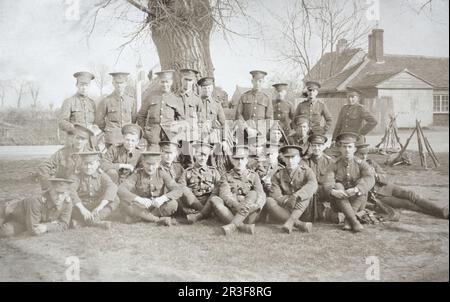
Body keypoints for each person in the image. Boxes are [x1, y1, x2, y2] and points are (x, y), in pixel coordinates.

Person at [355, 144, 449, 219]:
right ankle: (439, 214)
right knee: (407, 204)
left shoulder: (370, 162)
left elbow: (385, 177)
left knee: (412, 195)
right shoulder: (352, 169)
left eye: (366, 153)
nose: (364, 156)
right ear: (354, 154)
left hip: (387, 187)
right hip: (376, 196)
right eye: (361, 154)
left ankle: (441, 211)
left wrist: (376, 176)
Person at [323, 132, 375, 233]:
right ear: (340, 148)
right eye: (344, 147)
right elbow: (327, 181)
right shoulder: (334, 164)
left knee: (362, 184)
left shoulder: (361, 164)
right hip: (339, 203)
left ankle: (348, 219)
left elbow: (370, 178)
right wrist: (333, 191)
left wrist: (356, 190)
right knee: (338, 185)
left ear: (355, 149)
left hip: (358, 201)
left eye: (350, 147)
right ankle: (354, 221)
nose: (347, 150)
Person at [210, 145, 266, 235]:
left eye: (242, 159)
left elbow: (261, 194)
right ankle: (242, 226)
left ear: (246, 160)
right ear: (232, 160)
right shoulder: (226, 176)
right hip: (232, 210)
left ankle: (232, 226)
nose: (239, 162)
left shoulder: (253, 175)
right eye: (236, 159)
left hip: (249, 212)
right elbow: (225, 194)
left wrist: (256, 206)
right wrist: (237, 205)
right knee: (215, 200)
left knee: (253, 193)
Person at [117, 151, 183, 226]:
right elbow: (121, 189)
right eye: (148, 164)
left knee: (173, 204)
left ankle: (142, 218)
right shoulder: (137, 174)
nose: (151, 168)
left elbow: (178, 189)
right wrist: (139, 199)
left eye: (153, 164)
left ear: (158, 164)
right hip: (141, 206)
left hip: (157, 207)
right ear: (143, 163)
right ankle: (157, 220)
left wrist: (163, 198)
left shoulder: (162, 173)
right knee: (124, 203)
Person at [265, 145, 318, 233]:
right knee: (269, 201)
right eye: (287, 157)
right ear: (283, 158)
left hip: (303, 209)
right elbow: (275, 194)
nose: (290, 160)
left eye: (293, 157)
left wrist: (296, 196)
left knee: (307, 194)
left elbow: (313, 185)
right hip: (286, 208)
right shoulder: (278, 174)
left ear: (299, 158)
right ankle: (299, 224)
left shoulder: (306, 171)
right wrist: (287, 200)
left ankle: (290, 222)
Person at [0, 178, 74, 238]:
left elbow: (64, 225)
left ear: (67, 193)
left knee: (10, 232)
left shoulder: (67, 202)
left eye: (63, 193)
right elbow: (34, 230)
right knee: (4, 233)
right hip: (10, 213)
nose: (59, 197)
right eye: (57, 193)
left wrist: (46, 227)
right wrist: (53, 224)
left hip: (27, 222)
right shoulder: (37, 200)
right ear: (50, 191)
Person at [70, 151, 119, 230]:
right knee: (68, 201)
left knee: (115, 199)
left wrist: (100, 206)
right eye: (85, 164)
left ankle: (83, 222)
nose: (88, 167)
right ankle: (97, 222)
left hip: (96, 207)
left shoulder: (101, 175)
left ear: (97, 164)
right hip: (81, 206)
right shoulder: (76, 176)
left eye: (91, 164)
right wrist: (82, 209)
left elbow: (112, 186)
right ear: (81, 165)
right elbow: (71, 191)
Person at [37, 123, 94, 190]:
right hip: (64, 190)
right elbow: (43, 166)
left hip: (83, 191)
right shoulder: (62, 153)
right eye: (77, 138)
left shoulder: (92, 155)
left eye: (82, 139)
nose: (79, 141)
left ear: (87, 141)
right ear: (73, 138)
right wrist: (49, 185)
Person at [137, 70, 184, 146]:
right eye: (162, 82)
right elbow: (141, 115)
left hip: (170, 136)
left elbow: (181, 118)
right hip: (153, 136)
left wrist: (176, 129)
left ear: (171, 82)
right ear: (159, 82)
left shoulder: (176, 99)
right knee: (153, 157)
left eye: (167, 82)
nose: (165, 84)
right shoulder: (151, 96)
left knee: (169, 156)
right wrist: (144, 132)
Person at [303, 134, 342, 223]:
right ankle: (327, 213)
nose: (316, 148)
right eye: (314, 145)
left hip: (327, 192)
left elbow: (333, 180)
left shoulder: (330, 161)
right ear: (310, 146)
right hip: (312, 192)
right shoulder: (305, 161)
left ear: (323, 146)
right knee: (313, 216)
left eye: (319, 145)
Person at [180, 142, 222, 224]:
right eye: (200, 155)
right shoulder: (187, 171)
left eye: (205, 155)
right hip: (192, 202)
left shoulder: (213, 171)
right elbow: (181, 187)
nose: (202, 158)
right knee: (183, 188)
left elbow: (219, 187)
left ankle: (199, 214)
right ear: (195, 155)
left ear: (208, 156)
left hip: (209, 201)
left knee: (218, 186)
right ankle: (204, 212)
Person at [96, 72, 137, 148]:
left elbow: (133, 119)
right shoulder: (106, 101)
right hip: (112, 138)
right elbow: (99, 120)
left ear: (126, 83)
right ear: (113, 83)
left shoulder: (131, 101)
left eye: (121, 83)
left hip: (127, 139)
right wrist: (109, 129)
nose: (119, 85)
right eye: (117, 83)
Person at [235, 70, 273, 145]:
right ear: (252, 81)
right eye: (256, 81)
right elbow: (238, 115)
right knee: (243, 154)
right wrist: (247, 128)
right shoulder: (244, 96)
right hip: (245, 134)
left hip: (260, 136)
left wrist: (259, 131)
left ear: (263, 82)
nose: (258, 83)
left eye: (260, 81)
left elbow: (269, 118)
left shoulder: (267, 98)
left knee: (260, 155)